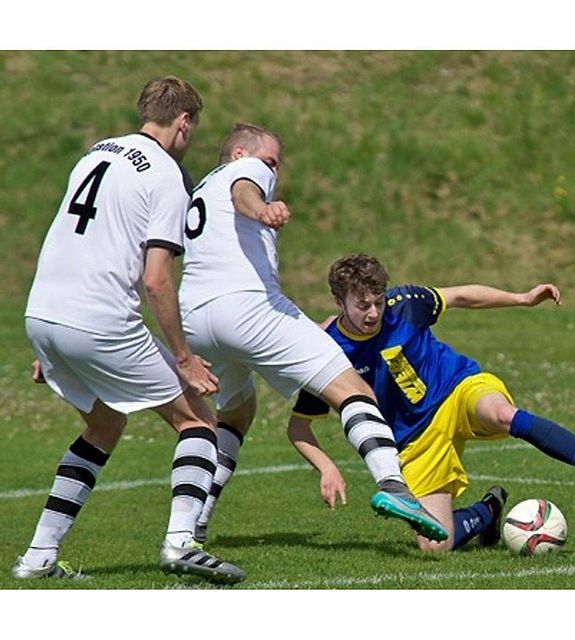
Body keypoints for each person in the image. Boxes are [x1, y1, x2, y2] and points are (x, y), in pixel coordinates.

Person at [15, 76, 246, 584]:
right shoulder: (166, 174)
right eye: (193, 127)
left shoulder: (96, 153)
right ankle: (182, 543)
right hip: (96, 319)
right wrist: (184, 357)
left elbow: (71, 238)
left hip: (45, 312)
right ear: (184, 122)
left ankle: (37, 558)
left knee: (103, 425)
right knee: (198, 423)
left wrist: (52, 341)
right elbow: (156, 278)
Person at [178, 123, 448, 546]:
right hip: (247, 307)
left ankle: (195, 520)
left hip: (194, 317)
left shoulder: (199, 190)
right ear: (238, 155)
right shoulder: (246, 172)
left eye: (277, 165)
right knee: (354, 391)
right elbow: (245, 190)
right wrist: (261, 210)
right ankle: (394, 484)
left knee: (235, 414)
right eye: (270, 160)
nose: (274, 169)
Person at [279, 253, 575, 553]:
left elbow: (460, 295)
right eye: (362, 305)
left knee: (501, 413)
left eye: (377, 301)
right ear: (338, 301)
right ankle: (487, 511)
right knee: (434, 545)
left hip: (457, 390)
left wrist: (521, 299)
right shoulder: (326, 352)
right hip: (414, 440)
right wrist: (327, 467)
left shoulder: (405, 304)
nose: (374, 313)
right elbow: (298, 427)